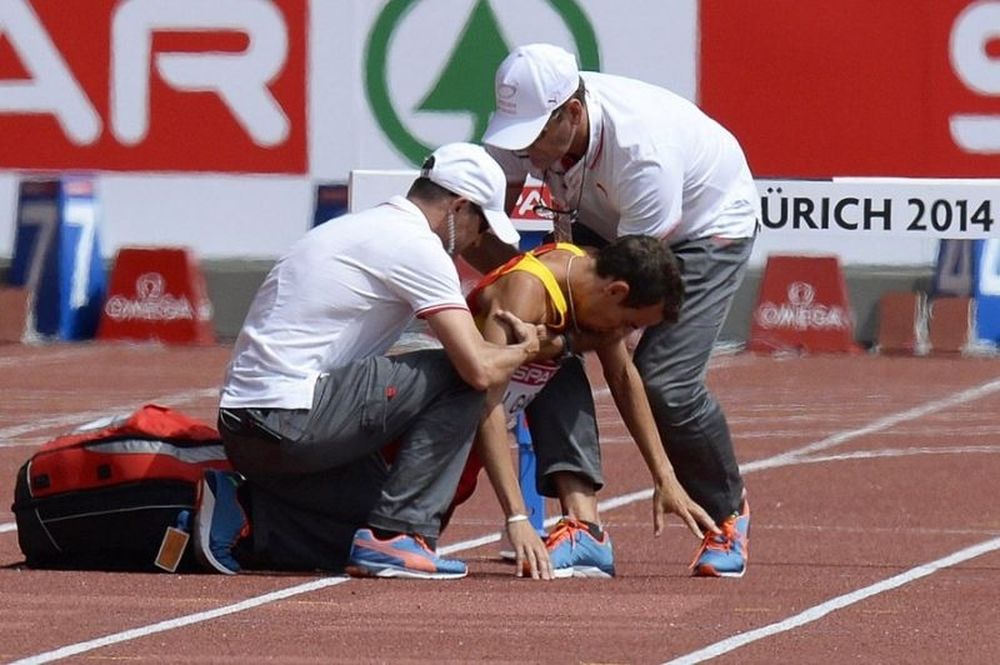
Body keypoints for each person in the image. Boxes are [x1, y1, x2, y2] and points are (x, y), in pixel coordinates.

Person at [196, 142, 551, 580]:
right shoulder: (418, 247)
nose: (479, 241)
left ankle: (247, 518)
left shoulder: (361, 228)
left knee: (376, 521)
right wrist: (526, 350)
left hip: (244, 428)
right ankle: (397, 536)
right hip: (291, 415)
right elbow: (476, 367)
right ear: (459, 207)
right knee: (460, 378)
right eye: (482, 225)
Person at [475, 44, 760, 577]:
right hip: (604, 218)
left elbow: (613, 321)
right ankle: (583, 525)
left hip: (706, 227)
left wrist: (663, 475)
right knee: (539, 334)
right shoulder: (531, 123)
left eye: (536, 136)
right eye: (519, 135)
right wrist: (519, 292)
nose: (526, 149)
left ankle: (726, 514)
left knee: (665, 382)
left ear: (573, 114)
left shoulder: (642, 155)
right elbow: (478, 217)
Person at [454, 235, 720, 580]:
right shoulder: (526, 291)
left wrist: (664, 477)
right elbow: (485, 402)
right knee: (389, 531)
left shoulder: (589, 283)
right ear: (616, 292)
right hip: (449, 421)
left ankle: (586, 530)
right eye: (631, 324)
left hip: (485, 418)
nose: (623, 334)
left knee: (564, 366)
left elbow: (623, 376)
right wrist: (517, 517)